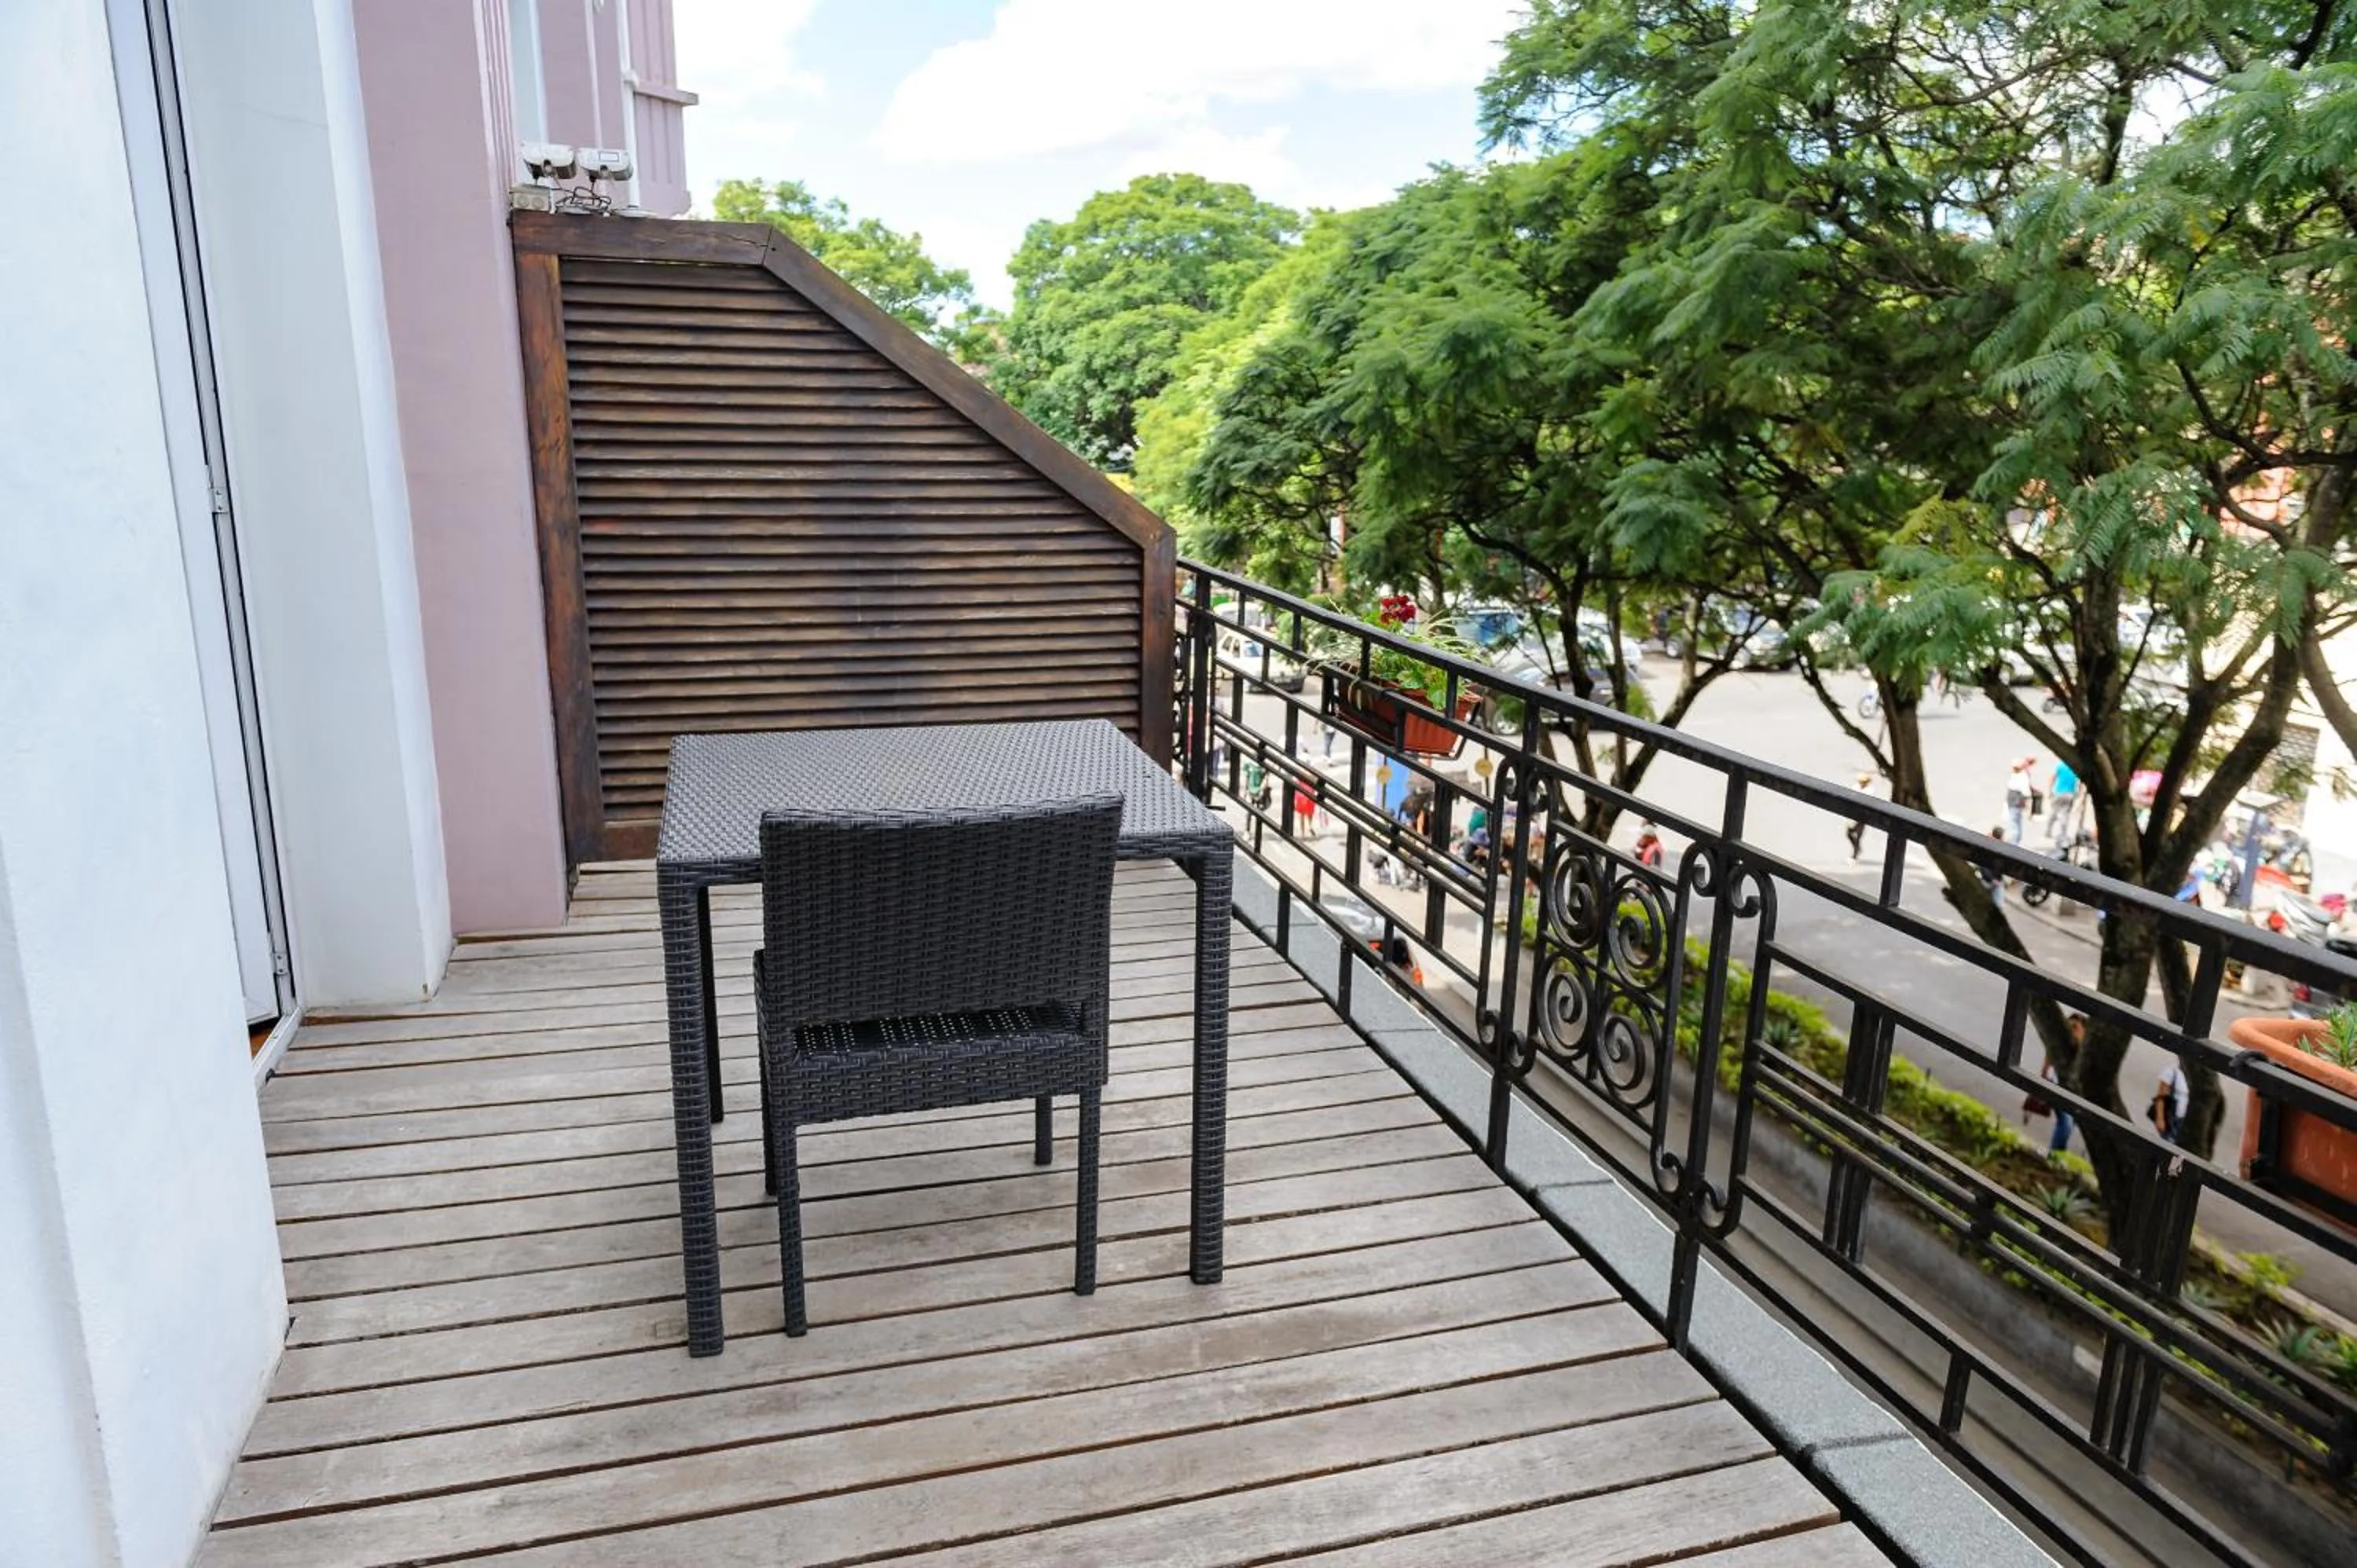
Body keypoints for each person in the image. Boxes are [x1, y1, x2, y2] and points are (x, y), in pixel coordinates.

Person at [2150, 1057, 2189, 1145]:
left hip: (2185, 1121)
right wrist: (2160, 1118)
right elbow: (2161, 1097)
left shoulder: (2194, 1077)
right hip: (2172, 1117)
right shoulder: (2172, 1072)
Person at [2047, 757, 2080, 847]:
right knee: (2065, 814)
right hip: (2070, 794)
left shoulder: (2061, 766)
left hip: (2058, 793)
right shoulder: (2075, 768)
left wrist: (2050, 791)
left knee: (2053, 812)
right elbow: (2079, 783)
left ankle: (2048, 831)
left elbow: (2052, 778)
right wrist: (2078, 794)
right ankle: (2063, 833)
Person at [2004, 756, 2036, 844]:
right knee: (2015, 825)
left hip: (2015, 803)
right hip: (2015, 802)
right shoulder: (2020, 775)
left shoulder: (2021, 775)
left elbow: (2026, 792)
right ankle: (2014, 845)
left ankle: (2014, 845)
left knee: (2014, 825)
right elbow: (2026, 792)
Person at [1845, 771, 1876, 860]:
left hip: (1863, 816)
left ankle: (1854, 855)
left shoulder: (1870, 790)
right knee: (1849, 832)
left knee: (1859, 835)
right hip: (1854, 814)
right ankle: (1857, 848)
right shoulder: (1856, 787)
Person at [1978, 824, 2007, 905]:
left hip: (1994, 881)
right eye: (2003, 836)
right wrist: (1993, 880)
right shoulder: (1992, 848)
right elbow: (1984, 865)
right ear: (2000, 837)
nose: (2004, 838)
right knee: (1995, 904)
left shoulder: (1996, 845)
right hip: (1990, 881)